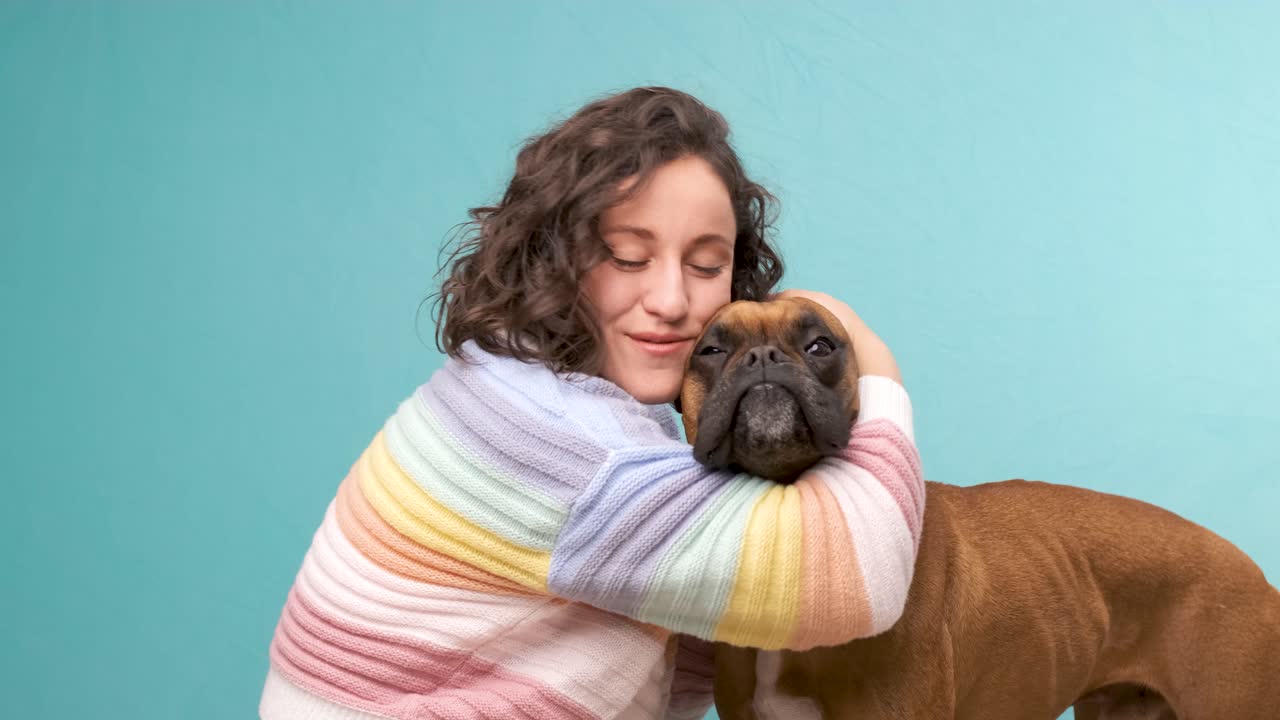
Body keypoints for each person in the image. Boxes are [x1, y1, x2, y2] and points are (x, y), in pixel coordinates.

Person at [260, 87, 923, 720]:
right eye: (627, 258)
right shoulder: (559, 445)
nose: (671, 301)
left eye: (705, 265)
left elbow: (690, 632)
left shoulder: (524, 385)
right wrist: (870, 360)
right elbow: (860, 577)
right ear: (550, 261)